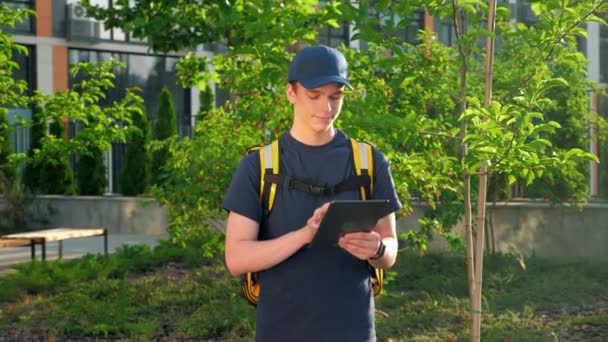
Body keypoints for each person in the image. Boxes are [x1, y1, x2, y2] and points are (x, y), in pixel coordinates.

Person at [223, 44, 402, 342]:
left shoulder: (370, 162)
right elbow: (237, 258)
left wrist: (378, 250)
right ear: (291, 93)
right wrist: (305, 235)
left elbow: (390, 247)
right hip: (280, 332)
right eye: (315, 96)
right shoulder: (260, 166)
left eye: (336, 97)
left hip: (353, 331)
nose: (326, 108)